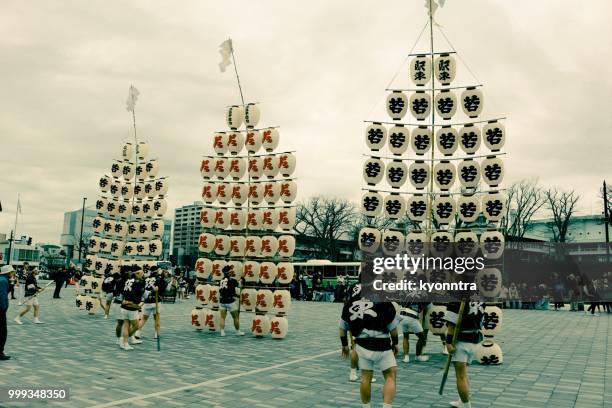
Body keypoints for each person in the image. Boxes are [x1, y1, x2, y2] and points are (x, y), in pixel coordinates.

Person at [339, 283, 399, 408]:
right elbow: (393, 328)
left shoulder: (351, 302)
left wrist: (344, 345)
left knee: (365, 378)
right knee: (390, 376)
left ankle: (366, 406)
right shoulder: (383, 299)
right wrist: (395, 343)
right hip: (383, 343)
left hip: (362, 344)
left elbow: (342, 327)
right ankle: (387, 406)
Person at [445, 301, 485, 408]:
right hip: (475, 341)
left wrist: (448, 343)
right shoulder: (479, 298)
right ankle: (462, 400)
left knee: (461, 376)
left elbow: (451, 325)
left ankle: (466, 405)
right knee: (464, 374)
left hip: (462, 342)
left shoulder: (457, 299)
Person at [136, 266, 166, 339]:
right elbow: (162, 289)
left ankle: (137, 332)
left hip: (147, 301)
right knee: (156, 319)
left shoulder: (145, 279)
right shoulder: (159, 279)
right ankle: (156, 333)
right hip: (156, 301)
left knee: (144, 319)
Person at [118, 266, 145, 350]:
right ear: (137, 273)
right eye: (141, 272)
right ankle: (124, 339)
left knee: (126, 324)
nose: (143, 274)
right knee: (136, 326)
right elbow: (138, 295)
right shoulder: (138, 282)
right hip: (131, 307)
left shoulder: (127, 280)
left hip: (124, 305)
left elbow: (124, 292)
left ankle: (125, 343)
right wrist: (137, 304)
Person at [218, 265, 244, 337]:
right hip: (230, 301)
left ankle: (222, 332)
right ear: (229, 273)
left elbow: (224, 290)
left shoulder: (221, 281)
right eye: (231, 271)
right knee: (235, 317)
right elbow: (240, 285)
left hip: (222, 301)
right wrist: (242, 278)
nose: (232, 272)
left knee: (222, 317)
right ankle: (237, 331)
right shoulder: (232, 280)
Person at [0, 265, 13, 360]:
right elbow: (2, 295)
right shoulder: (4, 281)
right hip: (0, 309)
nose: (13, 273)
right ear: (8, 273)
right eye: (12, 272)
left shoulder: (2, 279)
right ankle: (0, 352)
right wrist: (4, 308)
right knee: (2, 331)